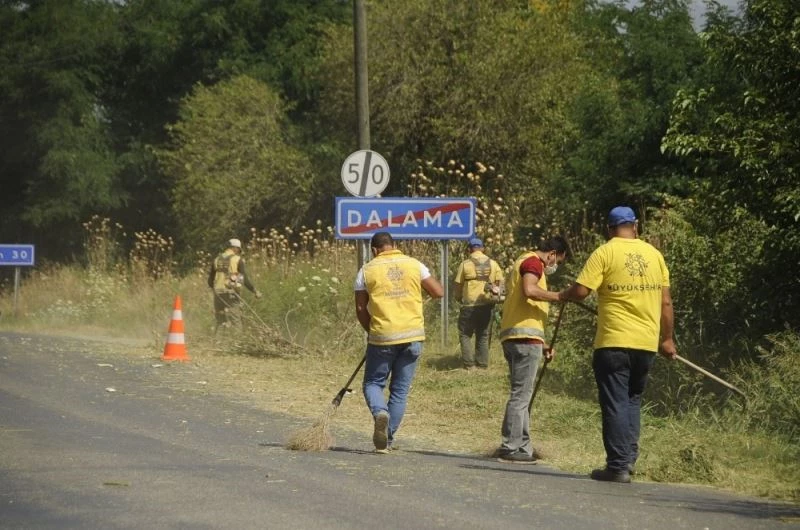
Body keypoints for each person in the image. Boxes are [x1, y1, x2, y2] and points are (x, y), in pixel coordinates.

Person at [558, 206, 677, 483]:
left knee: (615, 402)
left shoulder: (605, 252)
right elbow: (666, 302)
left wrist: (563, 294)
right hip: (646, 344)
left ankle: (618, 466)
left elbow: (581, 291)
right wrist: (667, 339)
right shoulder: (655, 255)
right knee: (632, 400)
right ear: (635, 226)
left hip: (614, 342)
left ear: (609, 229)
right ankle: (628, 459)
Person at [354, 232, 444, 453]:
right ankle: (387, 440)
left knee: (373, 383)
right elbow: (438, 292)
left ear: (374, 250)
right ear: (394, 245)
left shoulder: (366, 270)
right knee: (400, 391)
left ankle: (379, 412)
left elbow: (361, 308)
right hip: (413, 336)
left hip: (383, 336)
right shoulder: (414, 265)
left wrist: (371, 331)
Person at [495, 236, 569, 464]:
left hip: (519, 336)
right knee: (521, 395)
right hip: (525, 340)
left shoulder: (522, 260)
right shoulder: (534, 263)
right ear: (552, 254)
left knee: (523, 395)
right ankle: (510, 446)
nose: (555, 266)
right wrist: (559, 296)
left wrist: (543, 343)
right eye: (558, 261)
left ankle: (523, 446)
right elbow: (529, 289)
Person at [453, 237, 504, 369]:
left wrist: (458, 297)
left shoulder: (465, 264)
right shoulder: (493, 264)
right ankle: (482, 364)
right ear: (482, 249)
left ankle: (469, 365)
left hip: (469, 305)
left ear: (469, 250)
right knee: (483, 334)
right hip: (487, 304)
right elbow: (500, 283)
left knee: (465, 334)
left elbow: (458, 285)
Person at [207, 238, 262, 333]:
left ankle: (218, 340)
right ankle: (238, 341)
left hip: (218, 294)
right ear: (235, 248)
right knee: (236, 321)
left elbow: (210, 281)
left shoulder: (216, 259)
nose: (238, 252)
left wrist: (216, 289)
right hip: (231, 294)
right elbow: (244, 280)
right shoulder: (237, 260)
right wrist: (255, 291)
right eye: (239, 250)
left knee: (220, 321)